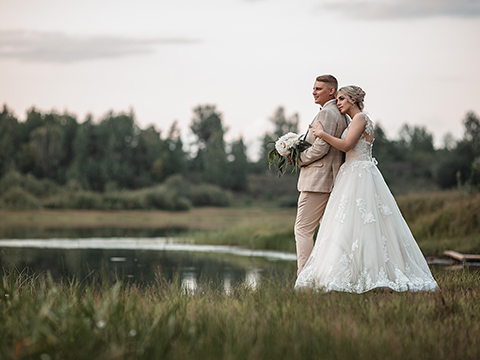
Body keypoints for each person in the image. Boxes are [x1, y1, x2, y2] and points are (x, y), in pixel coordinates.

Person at [295, 85, 439, 293]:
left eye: (342, 99)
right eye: (337, 100)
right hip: (354, 171)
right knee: (352, 224)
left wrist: (321, 134)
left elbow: (346, 145)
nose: (339, 103)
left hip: (358, 173)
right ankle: (351, 270)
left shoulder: (361, 118)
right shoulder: (356, 120)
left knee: (361, 222)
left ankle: (367, 273)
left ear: (353, 100)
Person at [294, 75, 349, 276]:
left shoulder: (327, 113)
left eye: (318, 88)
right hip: (331, 180)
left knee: (303, 230)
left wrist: (299, 159)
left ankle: (305, 278)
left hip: (318, 181)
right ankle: (330, 276)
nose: (314, 92)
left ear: (331, 91)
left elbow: (320, 148)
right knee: (329, 233)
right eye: (314, 88)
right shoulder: (341, 113)